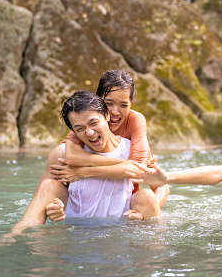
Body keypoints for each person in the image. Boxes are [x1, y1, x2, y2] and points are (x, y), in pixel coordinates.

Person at [46, 70, 169, 222]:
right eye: (108, 103)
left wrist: (146, 212)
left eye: (124, 105)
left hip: (124, 203)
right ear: (97, 101)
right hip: (85, 206)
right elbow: (72, 157)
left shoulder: (135, 121)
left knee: (147, 195)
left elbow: (149, 177)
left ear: (131, 104)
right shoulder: (87, 124)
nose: (115, 112)